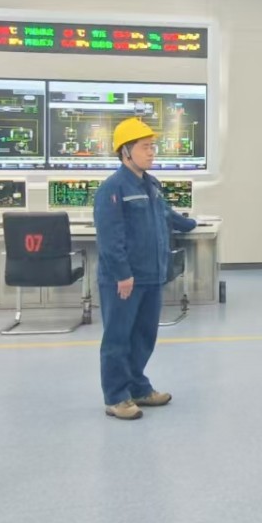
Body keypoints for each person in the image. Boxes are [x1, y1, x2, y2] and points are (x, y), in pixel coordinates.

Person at [94, 117, 198, 419]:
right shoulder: (113, 188)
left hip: (152, 275)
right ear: (126, 151)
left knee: (143, 336)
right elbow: (110, 238)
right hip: (125, 279)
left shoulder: (151, 185)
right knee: (118, 339)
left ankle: (138, 388)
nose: (152, 152)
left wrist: (191, 223)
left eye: (153, 146)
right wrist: (122, 274)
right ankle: (116, 397)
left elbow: (165, 214)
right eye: (145, 147)